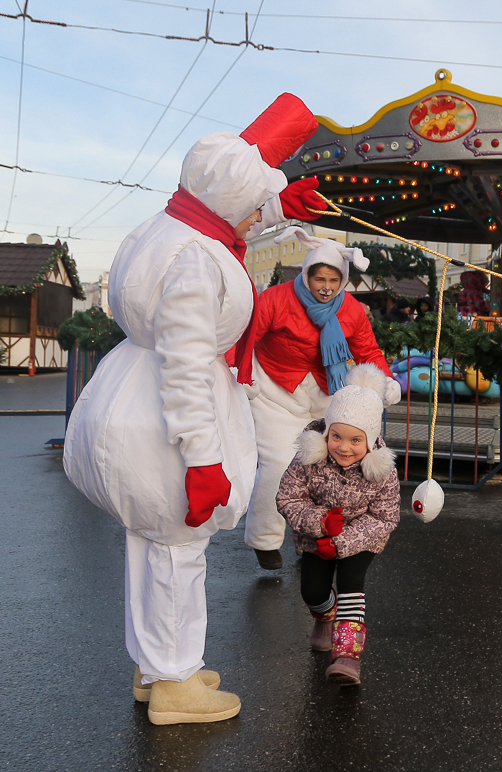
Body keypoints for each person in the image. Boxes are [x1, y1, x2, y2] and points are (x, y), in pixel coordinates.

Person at [63, 94, 321, 723]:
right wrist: (204, 460)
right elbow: (185, 368)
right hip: (167, 420)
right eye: (262, 201)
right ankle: (176, 683)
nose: (264, 215)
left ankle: (159, 667)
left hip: (132, 398)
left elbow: (229, 218)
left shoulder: (172, 227)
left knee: (150, 545)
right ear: (242, 198)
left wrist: (276, 210)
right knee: (179, 550)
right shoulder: (199, 261)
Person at [243, 228, 400, 570]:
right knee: (279, 465)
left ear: (342, 280)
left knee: (325, 473)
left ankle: (313, 541)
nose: (326, 286)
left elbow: (367, 350)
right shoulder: (276, 298)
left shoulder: (353, 310)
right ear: (307, 274)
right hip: (274, 390)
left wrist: (385, 380)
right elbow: (246, 336)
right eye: (319, 278)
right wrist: (236, 371)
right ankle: (265, 539)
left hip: (327, 394)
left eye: (333, 278)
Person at [276, 364, 401, 685]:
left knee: (351, 587)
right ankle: (324, 615)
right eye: (337, 437)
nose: (344, 447)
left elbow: (386, 516)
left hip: (360, 539)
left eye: (355, 440)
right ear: (327, 432)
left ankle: (347, 655)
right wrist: (318, 522)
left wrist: (342, 542)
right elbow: (287, 497)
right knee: (312, 592)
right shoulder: (310, 457)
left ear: (370, 440)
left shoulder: (382, 470)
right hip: (316, 537)